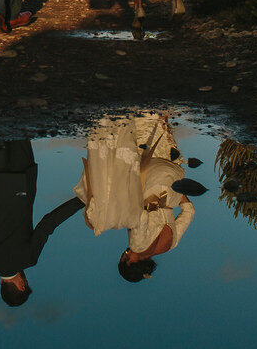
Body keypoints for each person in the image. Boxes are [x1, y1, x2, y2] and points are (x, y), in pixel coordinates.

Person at [72, 114, 196, 283]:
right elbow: (141, 217)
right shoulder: (138, 246)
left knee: (159, 129)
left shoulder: (170, 245)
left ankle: (161, 115)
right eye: (124, 257)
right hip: (151, 176)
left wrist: (174, 187)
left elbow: (189, 211)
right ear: (130, 262)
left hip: (173, 175)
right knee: (135, 139)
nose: (125, 252)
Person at [0, 138, 84, 306]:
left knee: (20, 127)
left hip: (21, 182)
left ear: (21, 286)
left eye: (25, 283)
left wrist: (82, 201)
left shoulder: (29, 259)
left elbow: (48, 224)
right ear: (1, 284)